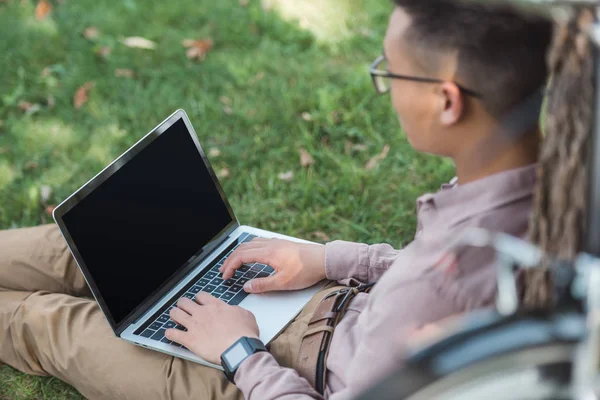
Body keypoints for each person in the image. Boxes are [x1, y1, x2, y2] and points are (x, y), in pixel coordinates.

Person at [0, 1, 552, 399]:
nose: (386, 88)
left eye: (391, 72)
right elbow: (442, 277)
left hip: (264, 379)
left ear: (446, 100)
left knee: (48, 322)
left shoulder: (440, 278)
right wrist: (326, 259)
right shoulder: (539, 196)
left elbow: (437, 285)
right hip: (328, 302)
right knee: (92, 248)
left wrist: (240, 352)